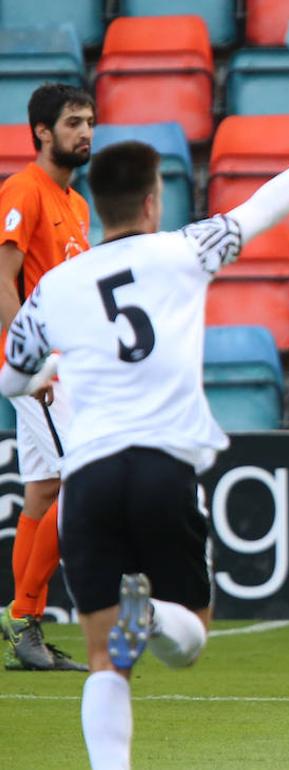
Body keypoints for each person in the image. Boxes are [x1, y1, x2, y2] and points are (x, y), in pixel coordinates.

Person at [0, 114, 289, 766]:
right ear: (150, 199)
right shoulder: (187, 249)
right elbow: (261, 207)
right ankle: (157, 617)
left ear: (98, 207)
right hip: (163, 468)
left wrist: (49, 372)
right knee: (190, 636)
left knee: (105, 660)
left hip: (89, 478)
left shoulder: (53, 288)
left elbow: (12, 378)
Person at [0, 83, 94, 672]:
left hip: (65, 367)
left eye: (89, 122)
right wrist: (28, 362)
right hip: (41, 370)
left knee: (42, 491)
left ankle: (22, 628)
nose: (85, 132)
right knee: (79, 483)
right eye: (73, 123)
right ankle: (24, 615)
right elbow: (2, 279)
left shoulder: (76, 204)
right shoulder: (23, 191)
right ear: (41, 131)